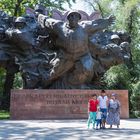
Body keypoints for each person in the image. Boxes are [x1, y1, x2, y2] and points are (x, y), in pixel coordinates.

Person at [37, 10, 115, 87]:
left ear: (78, 19)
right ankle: (42, 86)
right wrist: (39, 16)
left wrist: (107, 21)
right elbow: (48, 21)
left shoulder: (85, 26)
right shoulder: (59, 26)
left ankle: (75, 84)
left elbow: (95, 23)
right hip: (66, 56)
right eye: (71, 16)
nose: (73, 17)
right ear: (68, 18)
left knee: (87, 68)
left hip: (83, 55)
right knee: (53, 74)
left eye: (76, 16)